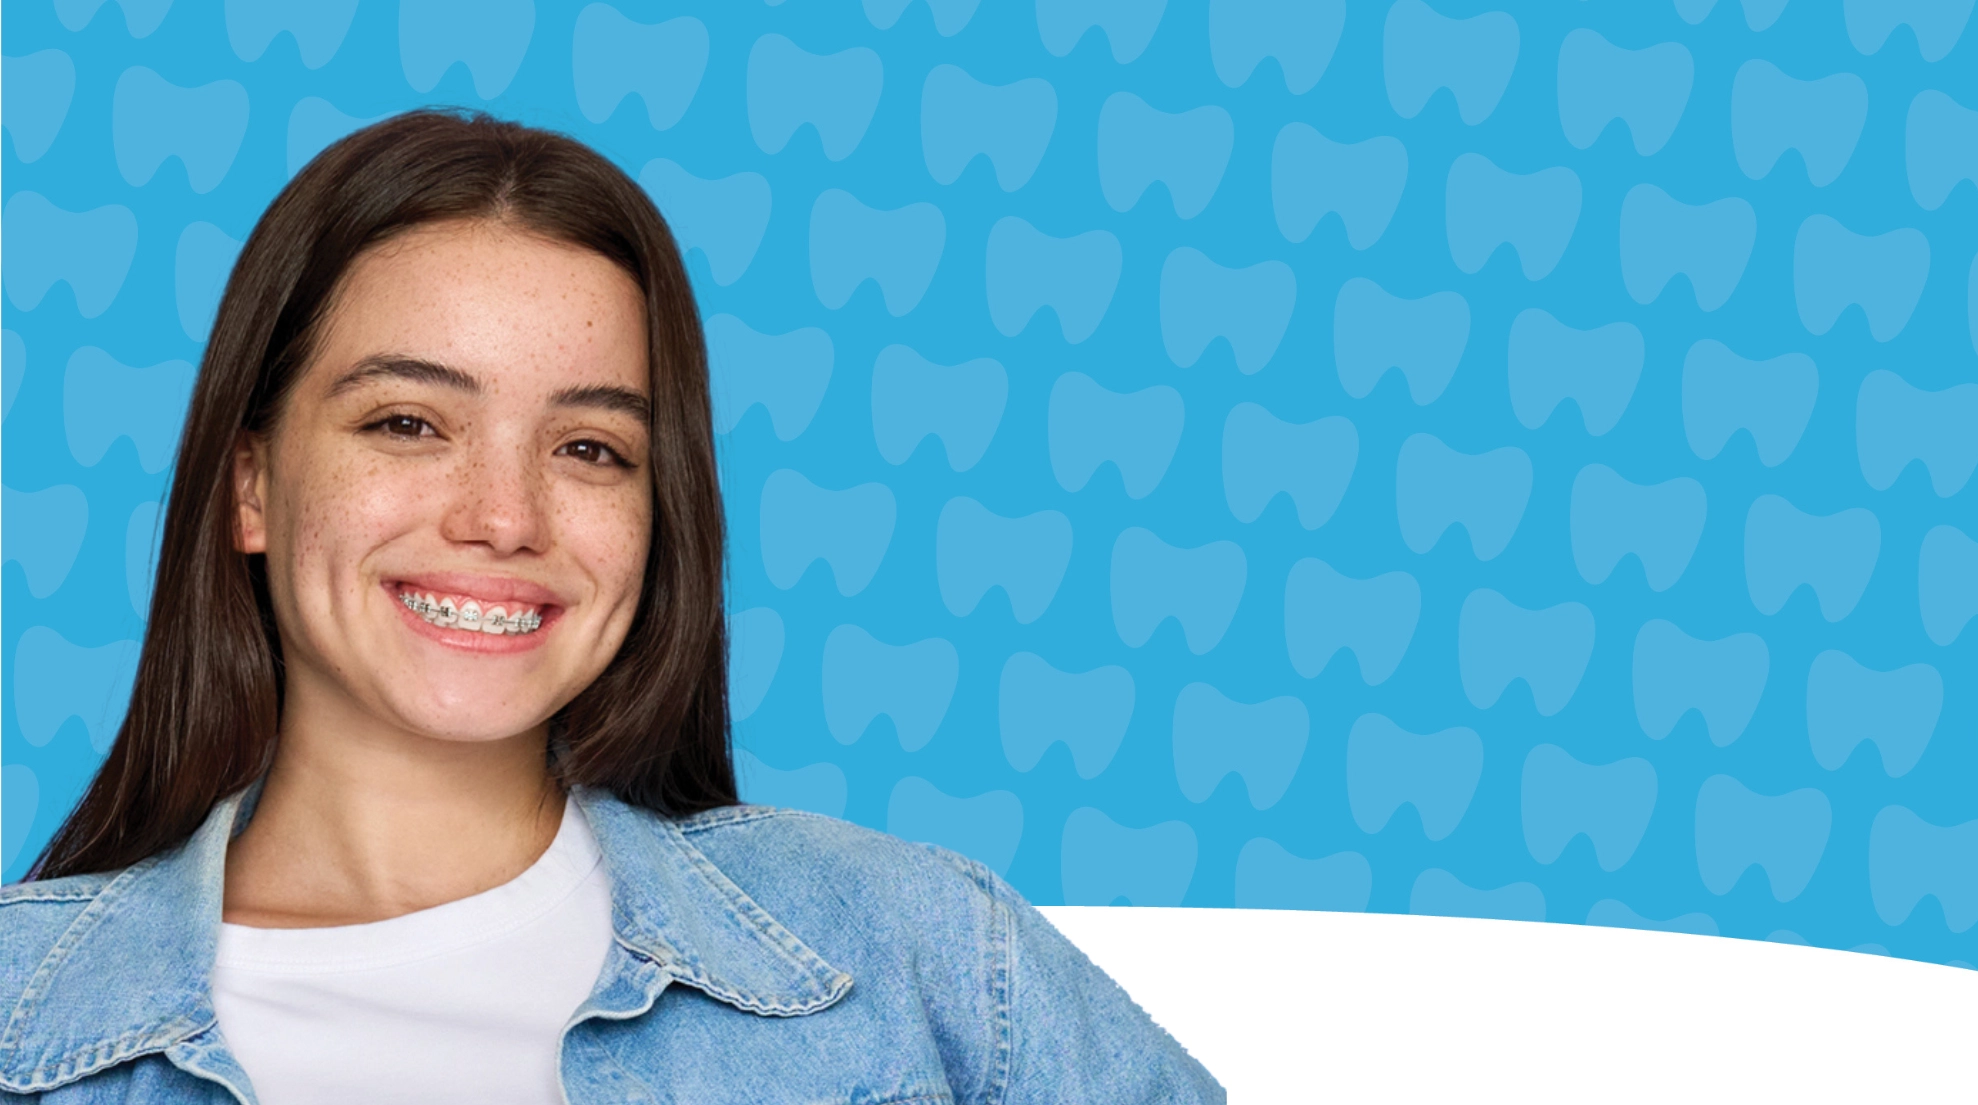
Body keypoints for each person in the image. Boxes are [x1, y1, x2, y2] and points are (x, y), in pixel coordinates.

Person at [0, 109, 1223, 1104]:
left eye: (589, 448)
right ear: (251, 486)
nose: (502, 516)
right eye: (408, 424)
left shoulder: (920, 960)